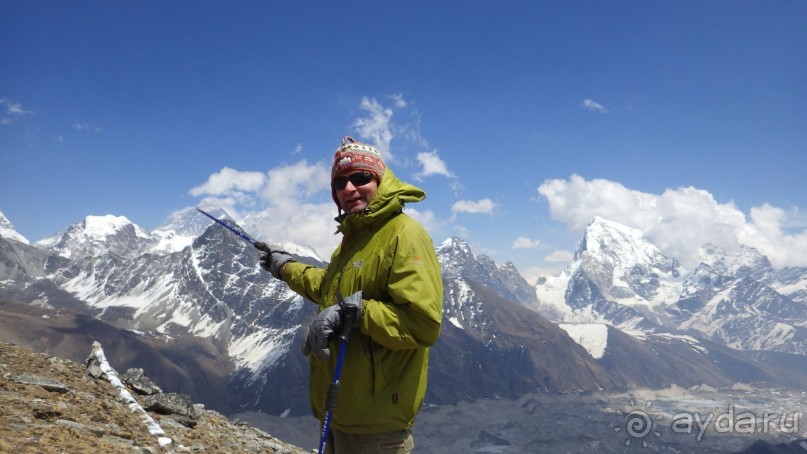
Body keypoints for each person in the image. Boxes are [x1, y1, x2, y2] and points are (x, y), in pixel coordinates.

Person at [256, 136, 443, 453]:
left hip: (377, 427)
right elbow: (329, 286)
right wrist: (285, 267)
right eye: (340, 182)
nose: (349, 189)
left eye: (360, 178)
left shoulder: (405, 234)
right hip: (340, 413)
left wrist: (351, 312)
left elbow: (422, 324)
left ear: (380, 180)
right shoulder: (355, 239)